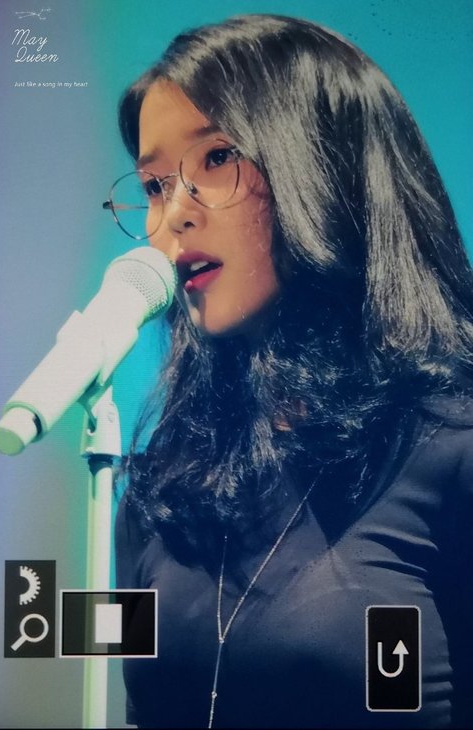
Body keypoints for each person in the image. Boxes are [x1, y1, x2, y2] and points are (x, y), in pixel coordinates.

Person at [108, 14, 473, 729]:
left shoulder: (451, 449)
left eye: (217, 157)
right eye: (152, 184)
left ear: (326, 167)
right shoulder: (161, 490)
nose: (171, 216)